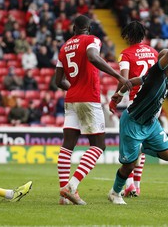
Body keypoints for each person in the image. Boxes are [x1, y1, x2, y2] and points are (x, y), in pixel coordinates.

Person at [107, 4, 168, 205]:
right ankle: (115, 192)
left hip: (150, 123)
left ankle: (139, 149)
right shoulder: (158, 69)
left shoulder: (157, 77)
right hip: (133, 121)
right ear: (166, 62)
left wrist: (118, 94)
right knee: (128, 166)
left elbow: (133, 81)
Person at [55, 15, 132, 205]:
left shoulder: (64, 47)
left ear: (74, 29)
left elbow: (58, 81)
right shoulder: (92, 40)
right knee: (98, 145)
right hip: (88, 98)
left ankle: (64, 196)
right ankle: (71, 187)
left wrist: (73, 88)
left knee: (67, 146)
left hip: (71, 99)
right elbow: (92, 56)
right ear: (88, 28)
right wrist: (118, 76)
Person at [114, 20, 159, 198]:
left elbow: (125, 80)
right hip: (155, 104)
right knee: (141, 147)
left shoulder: (126, 54)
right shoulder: (154, 52)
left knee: (132, 146)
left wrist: (117, 95)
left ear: (127, 36)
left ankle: (130, 185)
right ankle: (137, 186)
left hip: (137, 104)